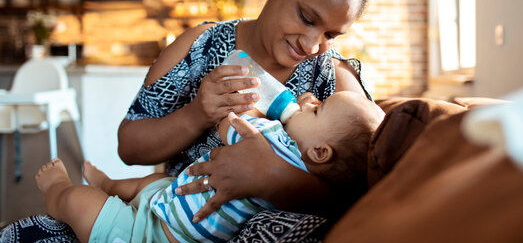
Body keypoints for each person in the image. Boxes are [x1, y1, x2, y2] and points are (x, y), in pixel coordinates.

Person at [116, 0, 397, 223]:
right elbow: (128, 147)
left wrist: (274, 177)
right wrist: (197, 115)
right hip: (173, 224)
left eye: (331, 35)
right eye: (306, 17)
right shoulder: (201, 46)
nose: (311, 45)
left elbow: (369, 192)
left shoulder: (335, 80)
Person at [35, 91, 384, 242]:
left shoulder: (272, 139)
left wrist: (270, 109)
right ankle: (110, 185)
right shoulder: (312, 180)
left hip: (153, 236)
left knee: (79, 201)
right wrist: (307, 114)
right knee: (151, 184)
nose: (310, 101)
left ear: (321, 152)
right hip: (172, 199)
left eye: (319, 110)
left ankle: (57, 189)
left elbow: (226, 125)